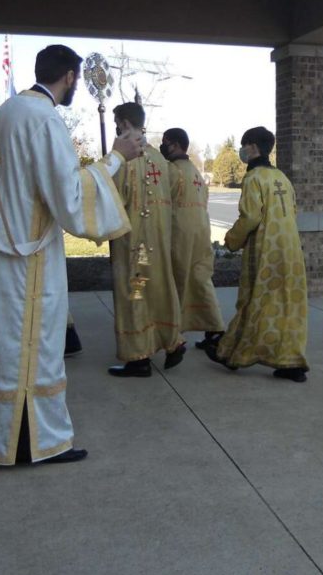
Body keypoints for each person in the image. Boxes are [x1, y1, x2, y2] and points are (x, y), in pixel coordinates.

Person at [0, 44, 141, 466]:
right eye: (76, 81)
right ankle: (36, 443)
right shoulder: (43, 119)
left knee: (4, 342)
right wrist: (116, 159)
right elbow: (68, 195)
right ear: (68, 77)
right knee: (35, 344)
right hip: (29, 254)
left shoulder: (2, 115)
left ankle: (1, 432)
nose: (75, 89)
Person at [203, 126, 309, 382]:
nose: (241, 150)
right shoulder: (281, 177)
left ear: (252, 147)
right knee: (287, 305)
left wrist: (230, 241)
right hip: (291, 250)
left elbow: (250, 217)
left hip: (265, 249)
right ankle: (290, 361)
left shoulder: (253, 179)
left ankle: (233, 353)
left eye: (243, 144)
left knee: (253, 301)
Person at [107, 102, 183, 377]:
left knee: (136, 292)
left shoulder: (123, 158)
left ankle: (138, 357)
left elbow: (111, 199)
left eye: (117, 123)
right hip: (159, 239)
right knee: (159, 289)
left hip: (134, 244)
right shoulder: (161, 161)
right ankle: (172, 341)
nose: (116, 129)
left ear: (124, 124)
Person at [161, 128, 225, 351]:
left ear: (176, 144)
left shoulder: (171, 170)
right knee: (201, 280)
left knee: (176, 279)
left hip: (180, 232)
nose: (163, 146)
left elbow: (161, 202)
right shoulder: (196, 173)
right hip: (202, 232)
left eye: (165, 142)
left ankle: (173, 330)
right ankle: (215, 329)